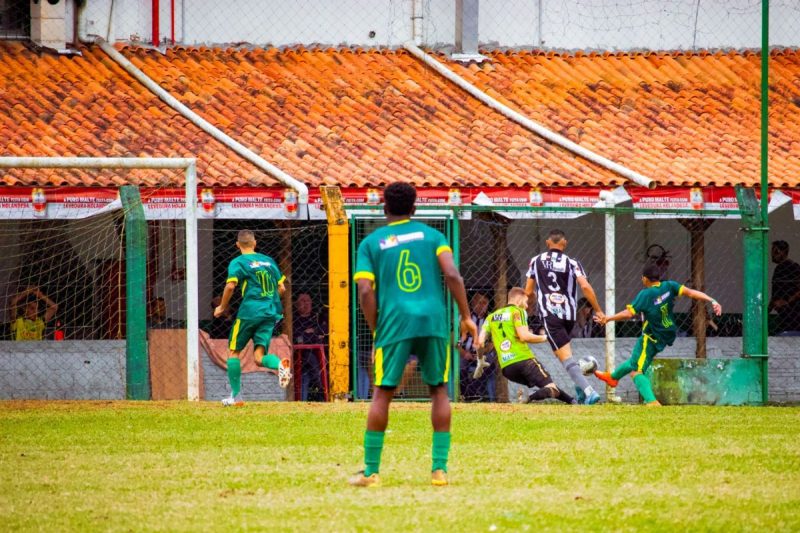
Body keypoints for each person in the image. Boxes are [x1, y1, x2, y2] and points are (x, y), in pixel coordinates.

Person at [349, 182, 477, 488]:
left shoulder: (371, 243)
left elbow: (365, 290)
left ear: (384, 208)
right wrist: (465, 316)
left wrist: (377, 328)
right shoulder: (434, 236)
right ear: (414, 208)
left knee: (383, 392)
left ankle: (371, 472)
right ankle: (439, 470)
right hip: (433, 320)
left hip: (394, 322)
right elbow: (452, 274)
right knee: (439, 390)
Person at [594, 264, 722, 406]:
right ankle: (613, 378)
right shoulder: (669, 286)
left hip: (651, 337)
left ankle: (652, 402)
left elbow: (629, 313)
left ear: (645, 279)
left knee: (636, 371)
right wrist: (712, 300)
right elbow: (691, 293)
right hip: (667, 333)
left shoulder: (645, 294)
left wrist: (608, 318)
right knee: (635, 360)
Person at [525, 229, 605, 404]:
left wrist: (527, 307)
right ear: (564, 243)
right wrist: (598, 310)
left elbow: (528, 291)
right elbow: (585, 287)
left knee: (565, 357)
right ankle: (579, 388)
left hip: (550, 314)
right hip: (569, 315)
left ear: (547, 242)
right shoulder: (572, 263)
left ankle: (589, 391)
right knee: (561, 353)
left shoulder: (536, 261)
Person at [214, 229, 292, 406]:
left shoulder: (238, 262)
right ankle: (280, 365)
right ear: (255, 243)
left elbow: (230, 286)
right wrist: (268, 300)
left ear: (237, 245)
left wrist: (222, 307)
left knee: (234, 352)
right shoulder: (269, 261)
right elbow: (282, 289)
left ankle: (236, 397)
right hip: (270, 312)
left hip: (249, 312)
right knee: (259, 357)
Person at [477, 287, 576, 404]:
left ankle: (572, 401)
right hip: (524, 361)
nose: (527, 306)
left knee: (548, 386)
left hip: (507, 369)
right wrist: (548, 337)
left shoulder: (490, 317)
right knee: (551, 388)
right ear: (519, 299)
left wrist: (480, 360)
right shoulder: (518, 311)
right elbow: (524, 336)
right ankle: (529, 397)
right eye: (526, 302)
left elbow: (480, 343)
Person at [458, 292, 496, 402]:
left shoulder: (491, 318)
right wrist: (464, 353)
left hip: (483, 352)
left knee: (491, 363)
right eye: (479, 302)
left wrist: (482, 352)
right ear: (472, 303)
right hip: (465, 352)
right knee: (459, 365)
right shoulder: (464, 317)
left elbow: (493, 342)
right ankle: (469, 394)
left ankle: (470, 392)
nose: (481, 306)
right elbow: (455, 340)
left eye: (484, 303)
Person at [293, 292, 328, 401]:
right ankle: (320, 388)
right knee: (309, 357)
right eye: (303, 301)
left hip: (318, 355)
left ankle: (318, 390)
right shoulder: (293, 320)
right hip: (300, 356)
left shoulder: (317, 317)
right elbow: (297, 338)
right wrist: (313, 335)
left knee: (307, 371)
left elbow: (324, 332)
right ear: (296, 304)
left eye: (308, 300)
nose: (306, 303)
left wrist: (307, 334)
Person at [769, 240, 800, 335]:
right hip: (785, 315)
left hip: (792, 314)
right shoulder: (780, 268)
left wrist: (788, 301)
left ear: (780, 252)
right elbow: (775, 294)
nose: (772, 255)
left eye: (774, 252)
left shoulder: (792, 267)